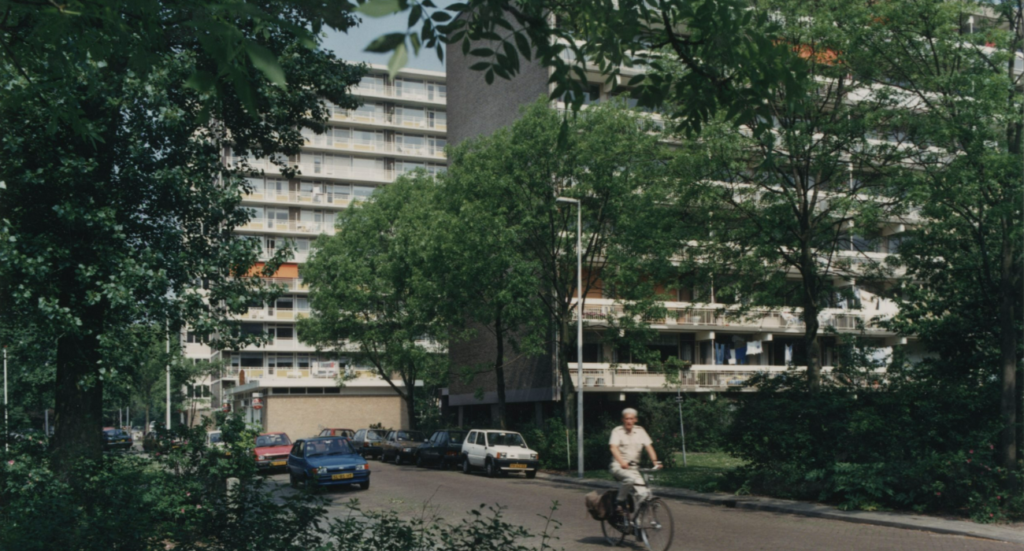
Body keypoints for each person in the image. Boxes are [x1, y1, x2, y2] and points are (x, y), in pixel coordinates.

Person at [609, 408, 661, 511]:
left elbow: (649, 447)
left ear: (635, 420)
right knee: (630, 479)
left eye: (631, 419)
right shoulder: (617, 431)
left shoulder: (640, 431)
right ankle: (619, 501)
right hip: (618, 466)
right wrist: (622, 462)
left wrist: (655, 461)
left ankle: (637, 524)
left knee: (644, 495)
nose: (629, 421)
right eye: (627, 419)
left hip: (634, 469)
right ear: (622, 420)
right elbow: (613, 447)